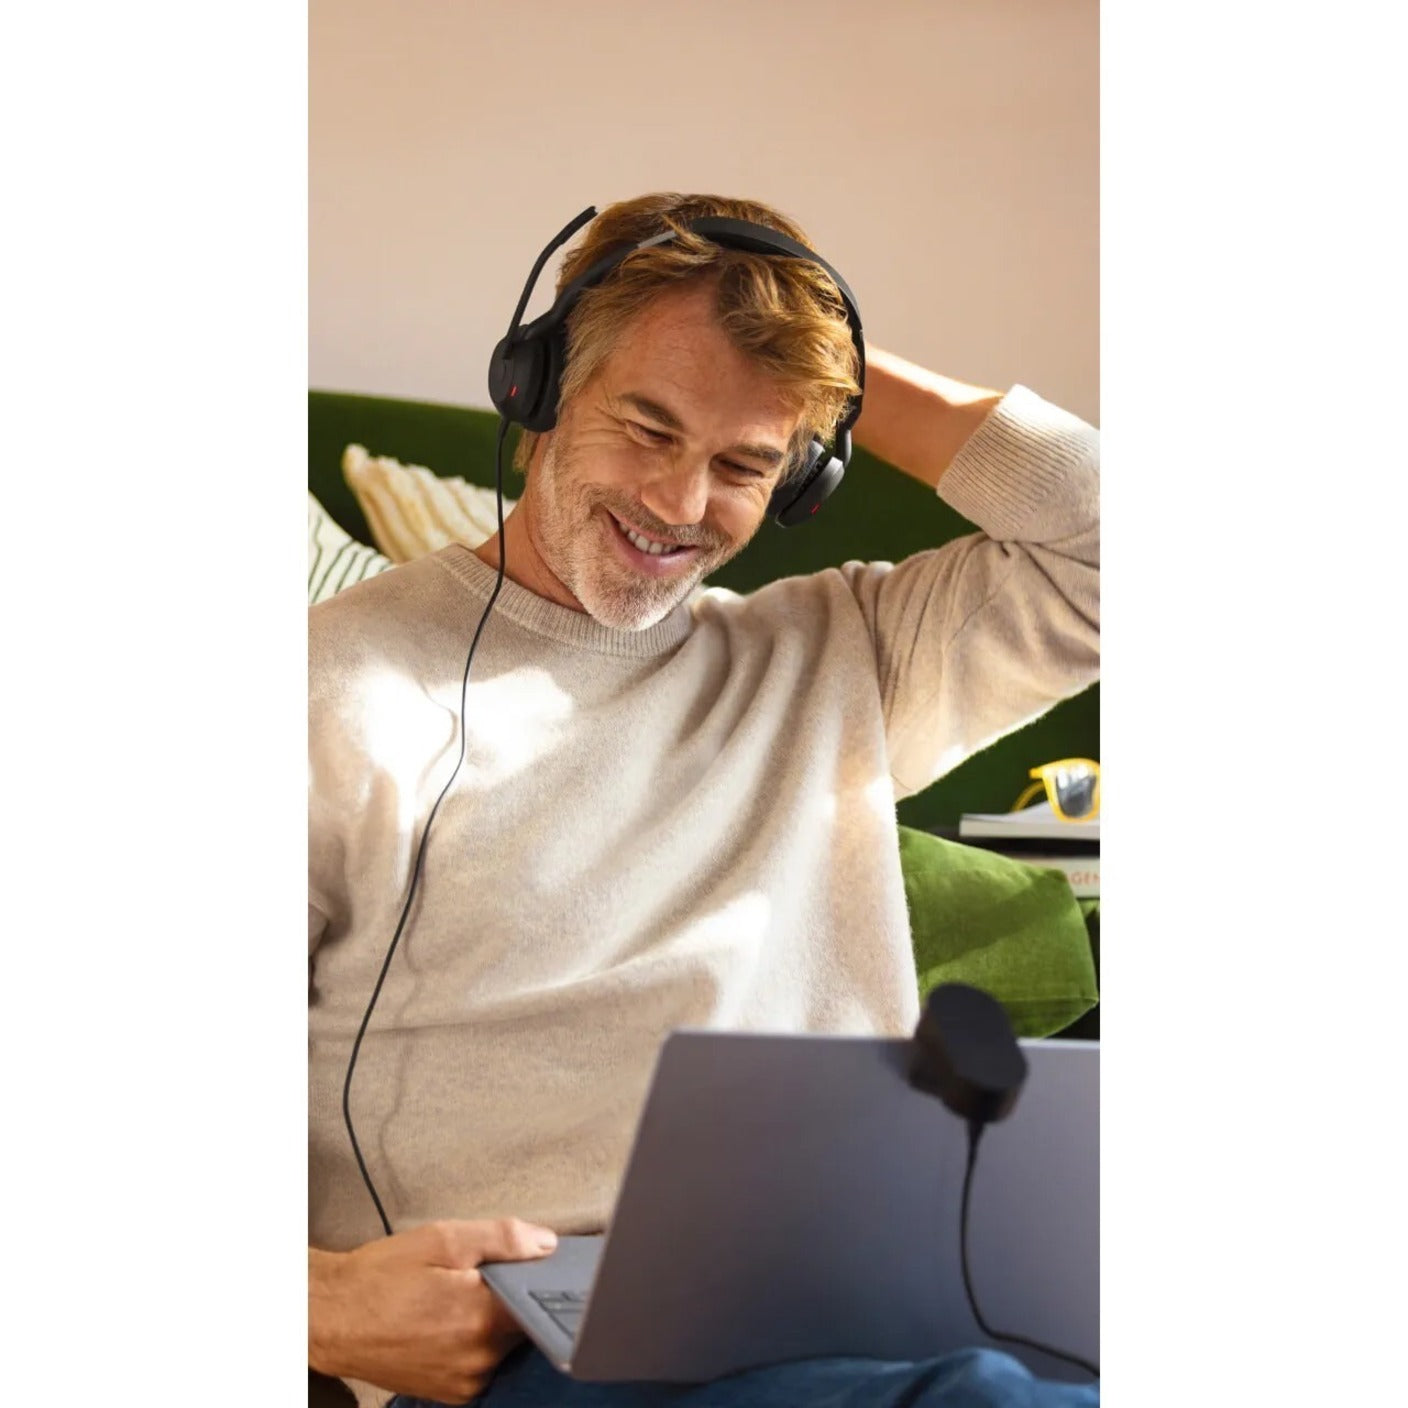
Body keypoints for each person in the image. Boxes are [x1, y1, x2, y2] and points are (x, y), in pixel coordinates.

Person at [308, 192, 1100, 1408]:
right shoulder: (324, 689)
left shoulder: (843, 655)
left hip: (874, 1287)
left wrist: (806, 350)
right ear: (541, 384)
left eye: (743, 462)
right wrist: (323, 1304)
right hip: (538, 1326)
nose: (679, 505)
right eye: (647, 424)